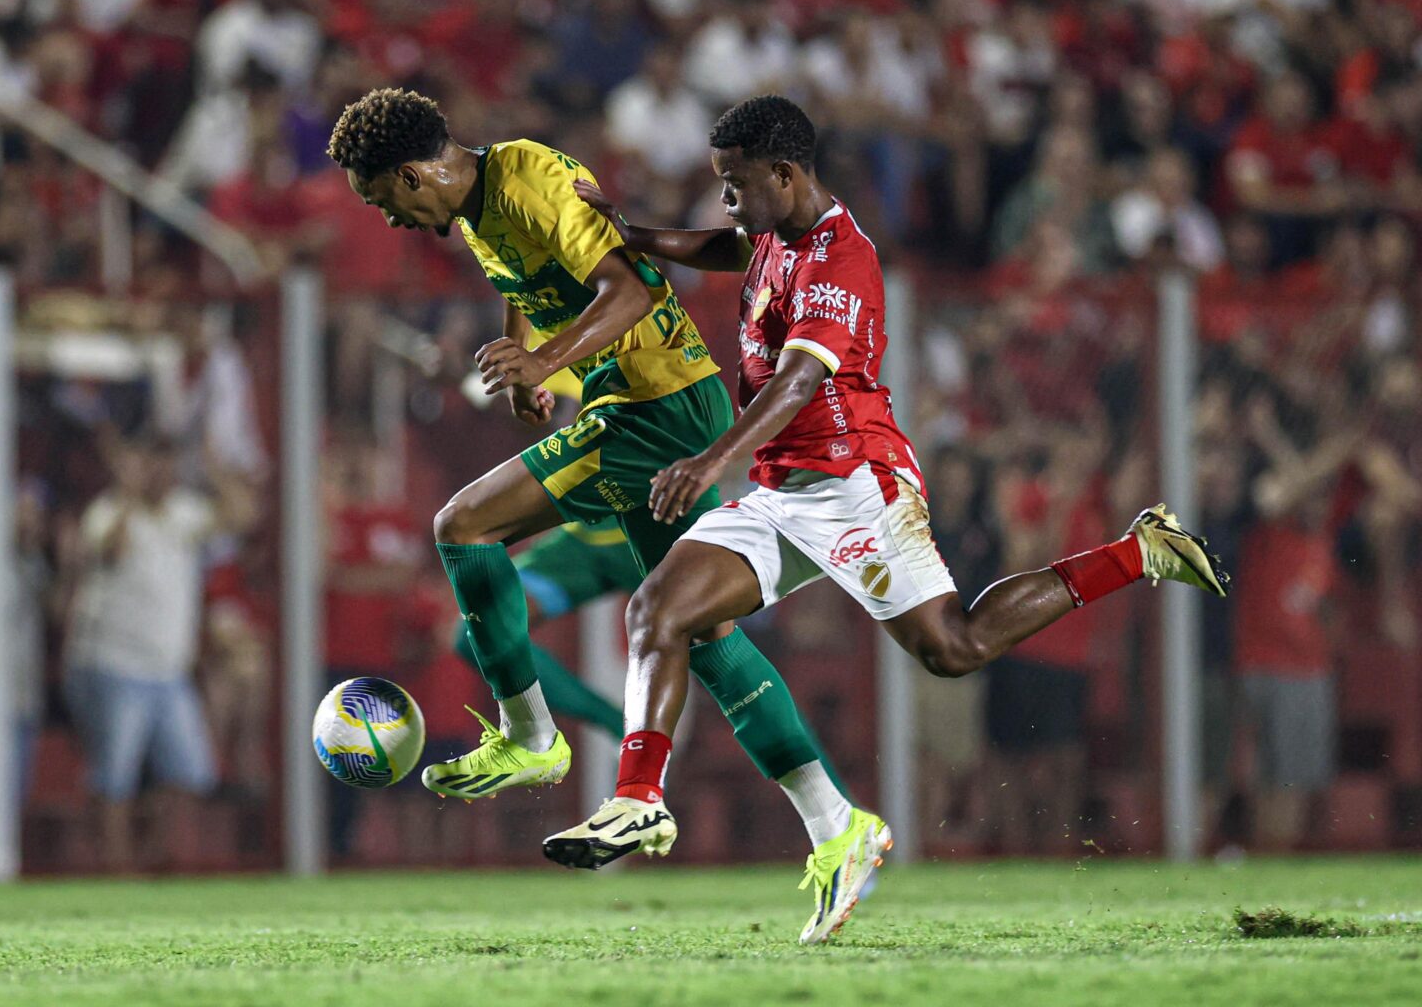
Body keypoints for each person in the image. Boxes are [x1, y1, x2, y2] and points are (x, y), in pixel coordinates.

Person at [549, 96, 1230, 944]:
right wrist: (641, 237)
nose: (724, 197)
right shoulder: (771, 232)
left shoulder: (842, 256)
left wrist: (708, 462)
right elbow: (732, 247)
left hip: (856, 481)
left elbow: (799, 383)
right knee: (658, 608)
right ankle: (639, 801)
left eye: (734, 182)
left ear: (786, 175)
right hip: (783, 487)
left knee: (955, 648)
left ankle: (1139, 550)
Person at [325, 91, 850, 848]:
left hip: (652, 404)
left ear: (410, 176)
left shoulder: (527, 178)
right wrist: (531, 371)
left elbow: (630, 289)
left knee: (463, 525)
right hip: (646, 401)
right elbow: (529, 285)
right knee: (700, 632)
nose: (388, 220)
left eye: (380, 200)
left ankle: (533, 736)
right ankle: (836, 821)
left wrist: (545, 357)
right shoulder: (480, 209)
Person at [63, 435, 255, 870]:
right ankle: (117, 870)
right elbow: (112, 547)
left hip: (168, 670)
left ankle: (147, 861)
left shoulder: (182, 513)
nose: (162, 475)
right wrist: (128, 494)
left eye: (168, 466)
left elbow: (243, 516)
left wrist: (217, 472)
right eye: (153, 465)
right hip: (113, 663)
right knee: (115, 779)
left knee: (192, 775)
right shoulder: (108, 510)